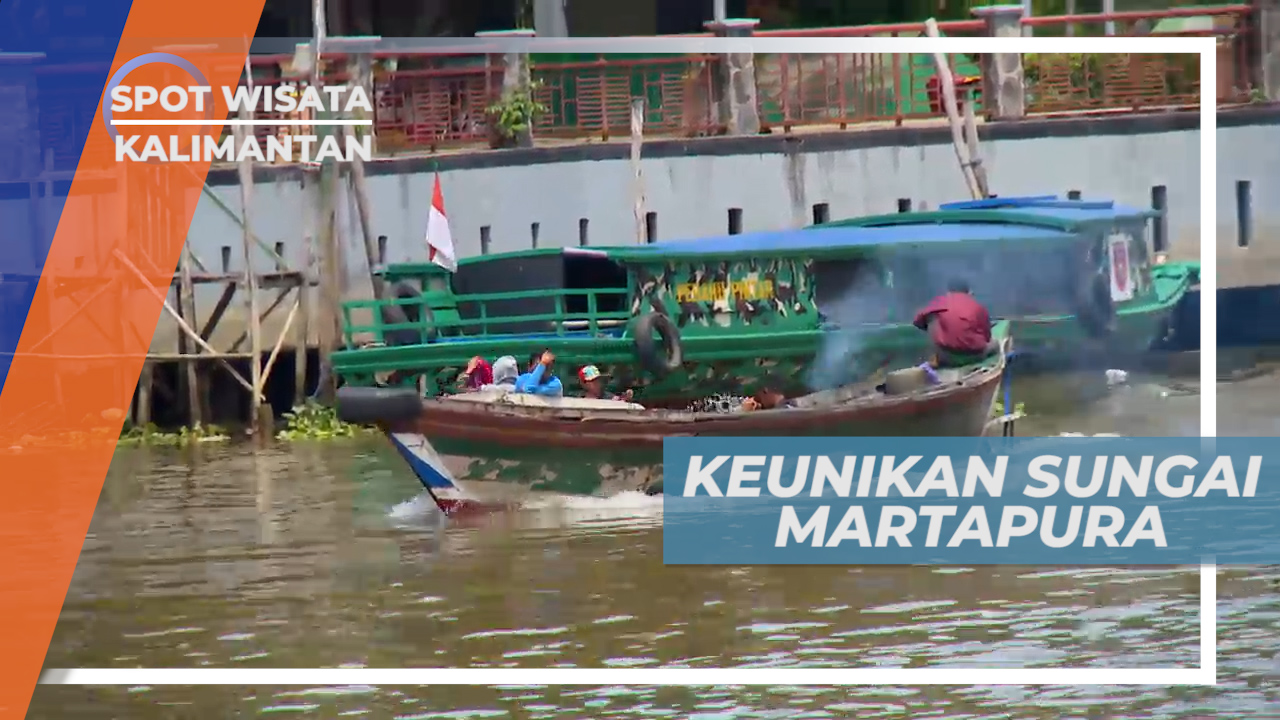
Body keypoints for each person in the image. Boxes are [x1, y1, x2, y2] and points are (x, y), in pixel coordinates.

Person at [912, 279, 998, 368]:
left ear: (948, 292)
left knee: (931, 317)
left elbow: (918, 321)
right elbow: (987, 337)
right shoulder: (978, 306)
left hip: (945, 357)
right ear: (969, 292)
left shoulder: (939, 302)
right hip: (974, 356)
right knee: (995, 343)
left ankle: (934, 358)